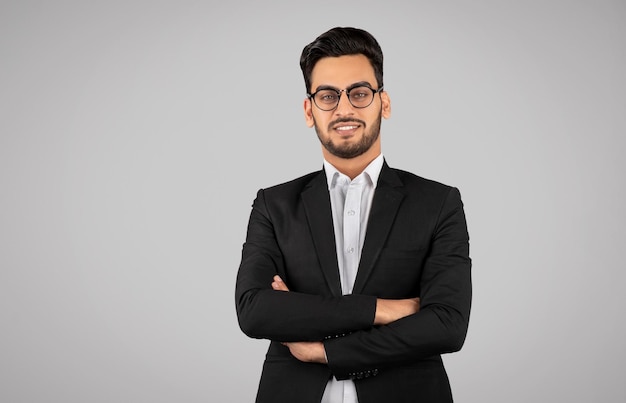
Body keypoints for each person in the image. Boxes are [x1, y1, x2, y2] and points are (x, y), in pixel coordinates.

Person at [235, 26, 471, 403]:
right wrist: (382, 309)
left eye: (359, 93)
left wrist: (323, 350)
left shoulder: (438, 203)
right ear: (309, 110)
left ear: (385, 103)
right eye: (328, 96)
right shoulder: (274, 205)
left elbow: (447, 325)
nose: (344, 109)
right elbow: (255, 312)